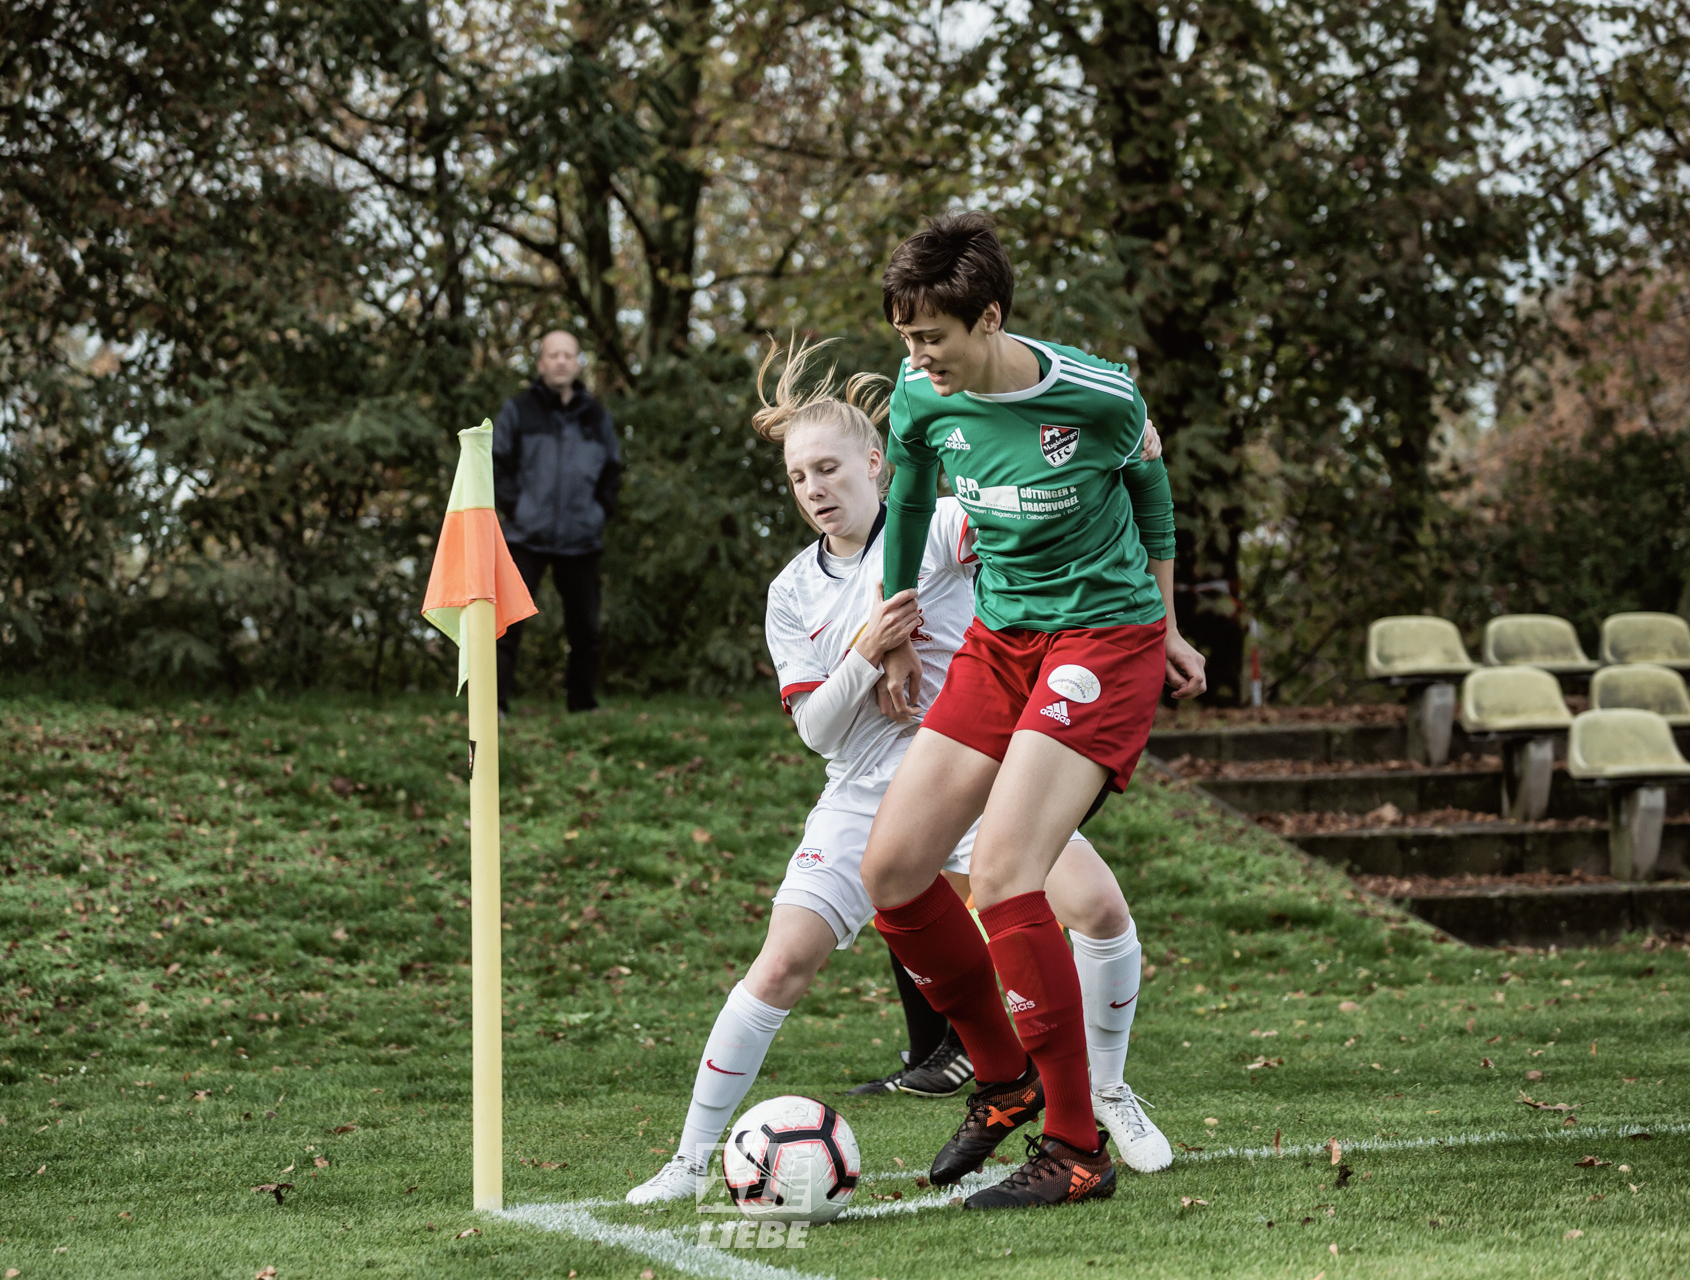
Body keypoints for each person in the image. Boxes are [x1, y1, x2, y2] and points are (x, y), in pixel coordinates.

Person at [623, 337, 1170, 1208]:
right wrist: (868, 652)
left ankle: (1102, 1097)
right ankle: (689, 1161)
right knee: (781, 964)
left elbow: (1034, 551)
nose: (815, 489)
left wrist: (1122, 507)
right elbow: (816, 729)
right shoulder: (791, 593)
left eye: (829, 468)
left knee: (1098, 908)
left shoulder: (945, 524)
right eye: (798, 477)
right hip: (860, 789)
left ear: (877, 463)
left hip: (975, 772)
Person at [859, 212, 1206, 1212]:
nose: (917, 358)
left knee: (1007, 873)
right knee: (893, 872)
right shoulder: (922, 394)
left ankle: (1076, 1147)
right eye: (906, 337)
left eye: (933, 338)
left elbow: (1151, 495)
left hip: (1104, 638)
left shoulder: (1099, 395)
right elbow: (910, 495)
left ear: (991, 318)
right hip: (1000, 640)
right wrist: (898, 615)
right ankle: (1004, 1080)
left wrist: (1168, 622)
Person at [492, 330, 623, 713]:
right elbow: (497, 463)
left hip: (581, 538)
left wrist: (597, 513)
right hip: (524, 536)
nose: (561, 361)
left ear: (578, 363)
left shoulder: (596, 416)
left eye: (568, 354)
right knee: (505, 625)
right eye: (553, 355)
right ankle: (494, 705)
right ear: (541, 364)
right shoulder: (519, 410)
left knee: (586, 629)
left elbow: (613, 470)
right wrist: (517, 508)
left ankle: (582, 706)